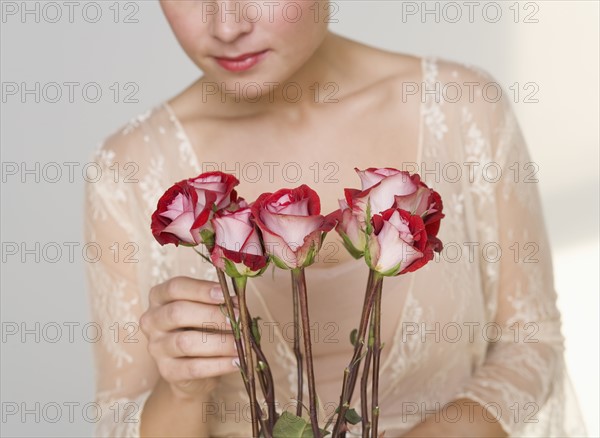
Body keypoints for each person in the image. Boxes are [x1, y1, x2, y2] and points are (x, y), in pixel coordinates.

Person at [84, 1, 585, 436]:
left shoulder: (462, 109)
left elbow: (531, 340)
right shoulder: (129, 169)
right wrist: (184, 391)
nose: (226, 25)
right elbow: (117, 422)